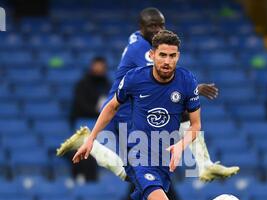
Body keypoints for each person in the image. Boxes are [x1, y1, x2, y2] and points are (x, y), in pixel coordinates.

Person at [72, 30, 206, 200]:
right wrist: (91, 138)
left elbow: (196, 125)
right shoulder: (135, 79)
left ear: (178, 56)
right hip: (138, 154)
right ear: (153, 55)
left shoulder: (187, 81)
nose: (167, 61)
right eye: (162, 55)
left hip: (163, 160)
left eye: (172, 56)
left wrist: (181, 144)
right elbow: (111, 107)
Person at [56, 7, 239, 182]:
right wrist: (194, 89)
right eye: (152, 26)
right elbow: (163, 76)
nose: (157, 30)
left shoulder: (139, 40)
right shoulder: (141, 50)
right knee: (136, 174)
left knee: (141, 173)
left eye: (161, 25)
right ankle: (91, 145)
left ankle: (204, 164)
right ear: (141, 27)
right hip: (124, 109)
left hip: (137, 104)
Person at [70, 57, 111, 181]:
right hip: (85, 121)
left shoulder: (108, 84)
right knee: (86, 149)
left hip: (103, 122)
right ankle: (83, 177)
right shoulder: (82, 84)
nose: (98, 69)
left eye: (101, 66)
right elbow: (80, 105)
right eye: (96, 66)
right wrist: (97, 111)